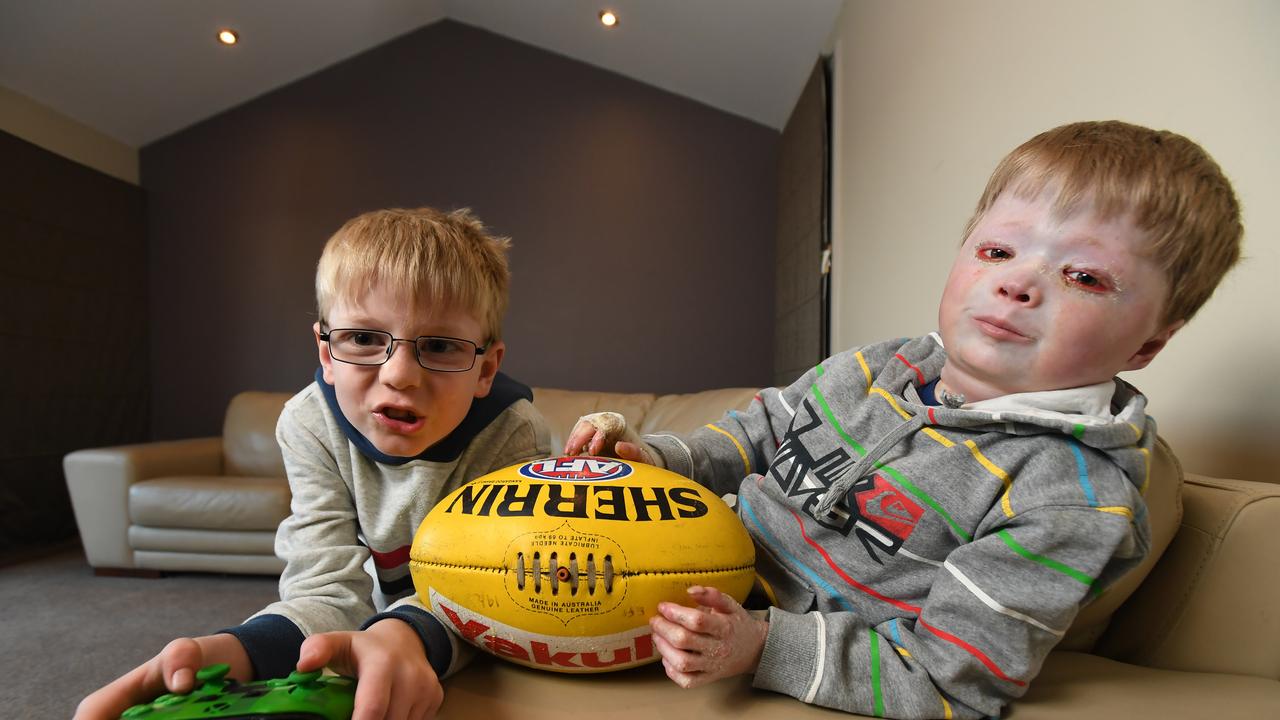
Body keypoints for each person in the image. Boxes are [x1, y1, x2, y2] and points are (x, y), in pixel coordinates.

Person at [566, 121, 1242, 719]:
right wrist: (657, 460)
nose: (1017, 283)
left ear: (1149, 343)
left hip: (779, 641)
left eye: (1085, 277)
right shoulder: (878, 366)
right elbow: (760, 431)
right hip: (682, 559)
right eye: (998, 251)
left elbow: (951, 683)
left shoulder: (1068, 495)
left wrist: (764, 646)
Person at [77, 207, 551, 720]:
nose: (399, 375)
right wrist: (246, 649)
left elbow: (498, 587)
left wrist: (407, 634)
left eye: (438, 346)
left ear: (486, 369)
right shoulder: (307, 424)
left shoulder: (512, 431)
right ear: (325, 353)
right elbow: (324, 584)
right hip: (374, 609)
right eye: (365, 339)